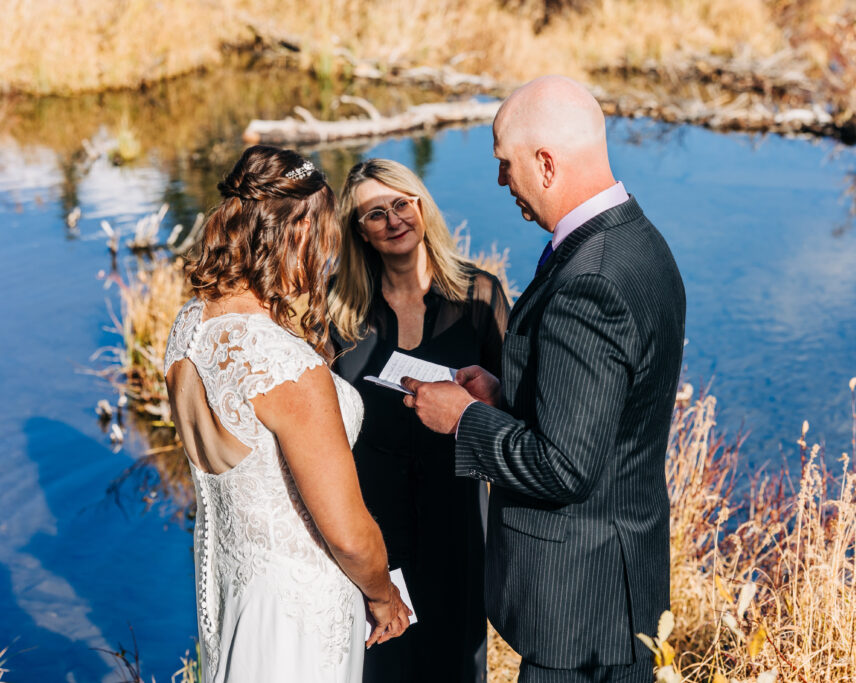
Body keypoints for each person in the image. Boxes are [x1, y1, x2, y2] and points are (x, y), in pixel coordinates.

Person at [402, 75, 687, 683]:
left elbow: (566, 467)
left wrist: (463, 419)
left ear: (547, 164)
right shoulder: (639, 242)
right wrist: (506, 396)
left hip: (581, 614)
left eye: (506, 165)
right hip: (614, 590)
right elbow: (602, 417)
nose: (502, 182)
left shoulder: (591, 279)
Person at [163, 146, 410, 683]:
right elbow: (346, 532)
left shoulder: (189, 325)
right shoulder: (284, 367)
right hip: (301, 611)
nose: (328, 251)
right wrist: (385, 595)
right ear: (295, 231)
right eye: (323, 232)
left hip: (235, 589)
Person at [327, 158, 509, 683]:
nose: (392, 220)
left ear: (421, 206)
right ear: (358, 231)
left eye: (401, 204)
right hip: (370, 524)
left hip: (457, 514)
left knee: (456, 659)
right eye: (374, 213)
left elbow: (511, 409)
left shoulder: (480, 296)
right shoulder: (339, 309)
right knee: (380, 664)